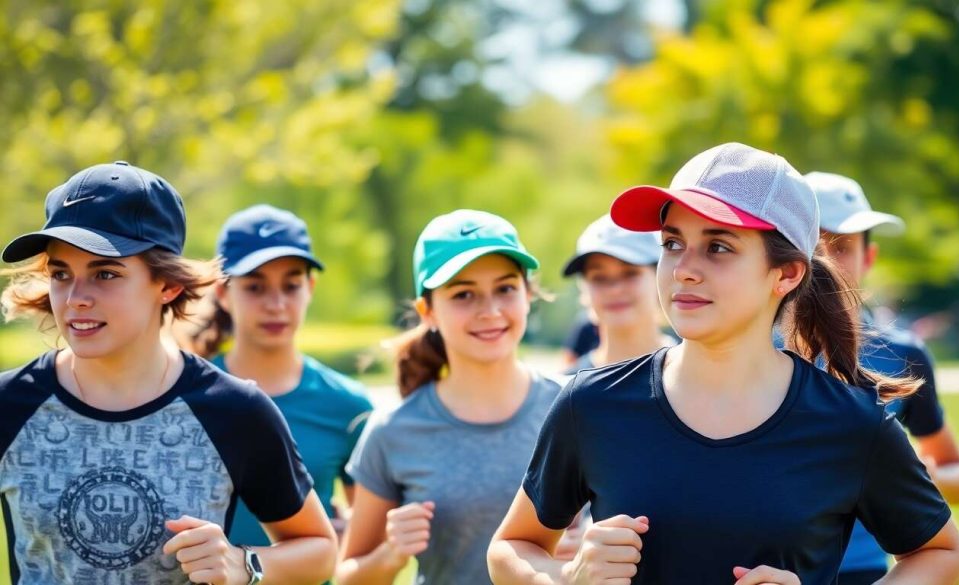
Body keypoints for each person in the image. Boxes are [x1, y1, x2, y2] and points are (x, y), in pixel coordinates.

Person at [488, 143, 959, 584]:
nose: (684, 268)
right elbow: (512, 546)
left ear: (787, 273)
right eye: (672, 243)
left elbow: (941, 553)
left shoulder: (850, 421)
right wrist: (567, 577)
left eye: (718, 247)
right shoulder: (591, 404)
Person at [0, 162, 336, 584]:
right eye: (61, 273)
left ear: (168, 285)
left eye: (105, 273)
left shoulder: (235, 411)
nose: (75, 298)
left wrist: (243, 563)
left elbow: (320, 550)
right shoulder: (10, 403)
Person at [336, 210, 563, 584]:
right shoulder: (393, 431)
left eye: (505, 288)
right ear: (428, 312)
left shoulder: (574, 410)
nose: (490, 311)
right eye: (464, 294)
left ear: (528, 295)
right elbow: (348, 577)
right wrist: (391, 553)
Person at [806, 171, 959, 584]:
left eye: (842, 246)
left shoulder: (904, 354)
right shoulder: (750, 346)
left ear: (869, 258)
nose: (826, 259)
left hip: (864, 570)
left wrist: (909, 472)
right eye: (813, 245)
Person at [188, 205, 374, 556]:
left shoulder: (349, 407)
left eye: (291, 286)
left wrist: (342, 537)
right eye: (255, 287)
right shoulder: (187, 394)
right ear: (224, 292)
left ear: (311, 288)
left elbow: (362, 548)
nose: (276, 304)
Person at [562, 214, 673, 373]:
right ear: (584, 290)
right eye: (599, 278)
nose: (614, 289)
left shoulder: (699, 376)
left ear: (659, 277)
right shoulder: (566, 390)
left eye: (630, 273)